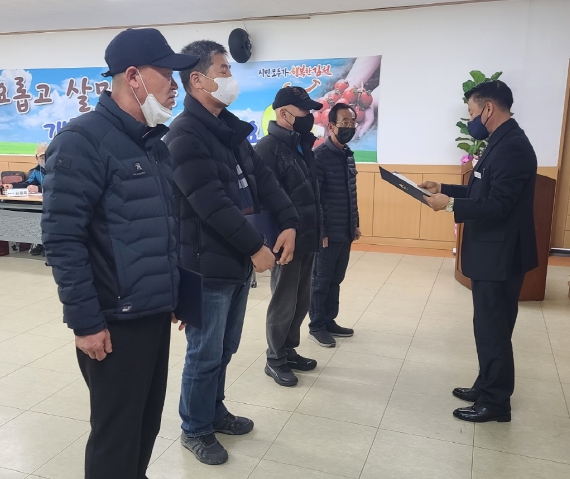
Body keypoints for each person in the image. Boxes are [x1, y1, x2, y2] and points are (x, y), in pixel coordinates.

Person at [41, 28, 199, 479]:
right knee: (116, 437)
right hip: (113, 321)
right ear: (133, 77)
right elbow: (62, 239)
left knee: (145, 426)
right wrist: (86, 323)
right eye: (166, 74)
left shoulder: (152, 144)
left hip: (152, 312)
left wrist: (174, 293)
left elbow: (162, 228)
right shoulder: (82, 141)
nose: (175, 86)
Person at [165, 40, 299, 466]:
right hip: (204, 265)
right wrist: (255, 247)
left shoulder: (229, 129)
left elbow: (264, 181)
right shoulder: (184, 135)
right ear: (198, 80)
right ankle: (194, 428)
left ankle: (213, 410)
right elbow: (211, 203)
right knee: (204, 353)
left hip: (234, 260)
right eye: (223, 70)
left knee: (225, 348)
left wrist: (289, 221)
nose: (230, 78)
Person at [421, 80, 538, 423]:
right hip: (492, 254)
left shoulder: (512, 146)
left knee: (494, 329)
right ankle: (485, 384)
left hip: (500, 257)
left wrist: (449, 205)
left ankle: (496, 402)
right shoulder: (499, 141)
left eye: (471, 112)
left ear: (488, 108)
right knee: (488, 325)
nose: (470, 119)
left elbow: (498, 205)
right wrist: (444, 188)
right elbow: (481, 190)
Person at [255, 86, 323, 387]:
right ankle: (275, 358)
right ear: (283, 113)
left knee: (301, 298)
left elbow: (311, 194)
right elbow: (265, 200)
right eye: (303, 111)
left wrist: (319, 231)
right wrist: (277, 238)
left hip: (307, 235)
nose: (309, 116)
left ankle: (289, 350)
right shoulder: (267, 148)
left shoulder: (302, 145)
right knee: (283, 300)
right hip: (286, 240)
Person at [308, 103, 361, 347]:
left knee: (336, 279)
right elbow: (316, 198)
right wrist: (321, 231)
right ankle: (317, 326)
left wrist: (355, 224)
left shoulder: (348, 155)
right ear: (331, 126)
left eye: (352, 122)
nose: (349, 127)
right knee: (321, 281)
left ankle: (330, 320)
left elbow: (351, 193)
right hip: (327, 232)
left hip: (345, 230)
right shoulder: (319, 156)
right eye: (344, 123)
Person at [4, 143, 48, 255]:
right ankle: (39, 243)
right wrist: (12, 186)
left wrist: (38, 188)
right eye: (41, 157)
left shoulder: (56, 169)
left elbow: (56, 185)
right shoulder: (36, 171)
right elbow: (27, 183)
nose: (43, 159)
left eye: (45, 156)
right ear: (36, 158)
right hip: (39, 203)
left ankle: (47, 245)